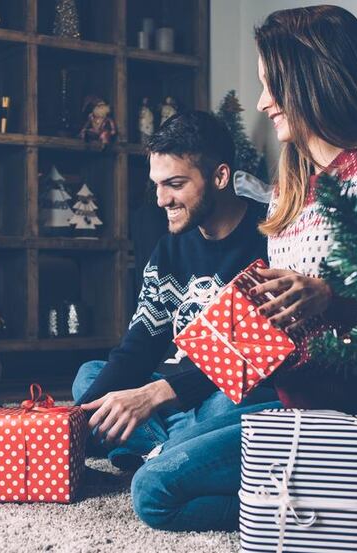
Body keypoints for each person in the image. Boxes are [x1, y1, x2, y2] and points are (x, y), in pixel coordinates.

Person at [127, 5, 357, 532]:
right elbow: (271, 331)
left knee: (154, 493)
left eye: (272, 86)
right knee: (166, 441)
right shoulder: (292, 191)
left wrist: (330, 298)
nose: (263, 102)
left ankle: (346, 509)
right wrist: (211, 348)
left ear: (313, 82)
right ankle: (337, 493)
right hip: (290, 405)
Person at [72, 110, 280, 472]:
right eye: (157, 184)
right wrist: (72, 424)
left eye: (175, 184)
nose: (161, 199)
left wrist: (155, 396)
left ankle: (153, 448)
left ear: (220, 176)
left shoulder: (270, 241)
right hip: (174, 397)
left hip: (223, 393)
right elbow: (140, 345)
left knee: (231, 405)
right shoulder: (170, 249)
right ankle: (169, 451)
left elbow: (259, 359)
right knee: (89, 376)